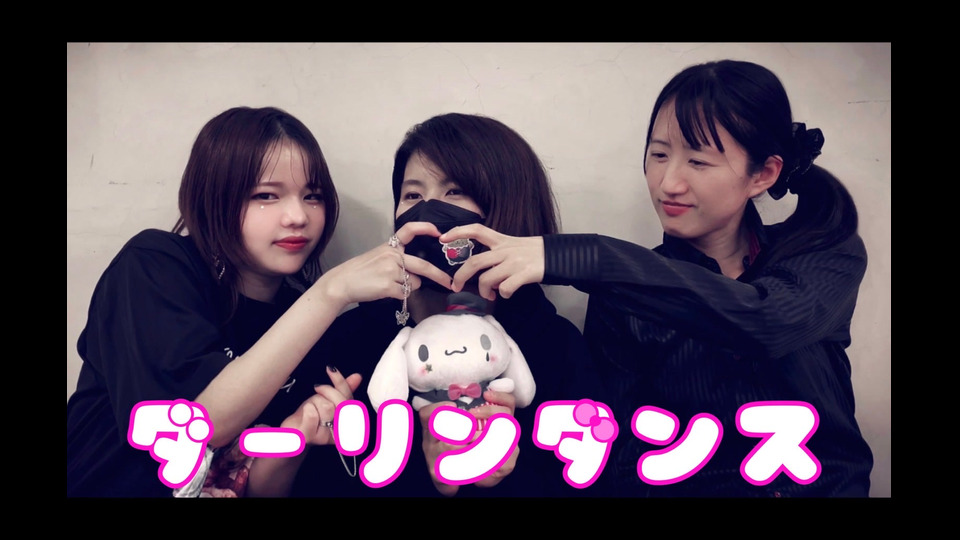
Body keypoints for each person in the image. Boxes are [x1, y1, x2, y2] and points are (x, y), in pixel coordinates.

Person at [440, 60, 875, 497]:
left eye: (698, 161)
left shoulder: (822, 251)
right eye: (659, 154)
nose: (668, 183)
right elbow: (620, 457)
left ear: (762, 174)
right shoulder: (621, 295)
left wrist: (584, 256)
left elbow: (768, 320)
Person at [66, 106, 452, 497]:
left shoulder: (309, 319)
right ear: (215, 198)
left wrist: (297, 434)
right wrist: (332, 290)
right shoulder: (155, 265)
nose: (297, 216)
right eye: (265, 195)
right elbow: (201, 425)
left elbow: (257, 489)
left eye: (312, 196)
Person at [289, 112, 604, 497]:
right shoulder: (352, 337)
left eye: (454, 192)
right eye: (412, 195)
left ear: (510, 206)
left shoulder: (554, 346)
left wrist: (496, 472)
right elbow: (316, 482)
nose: (427, 213)